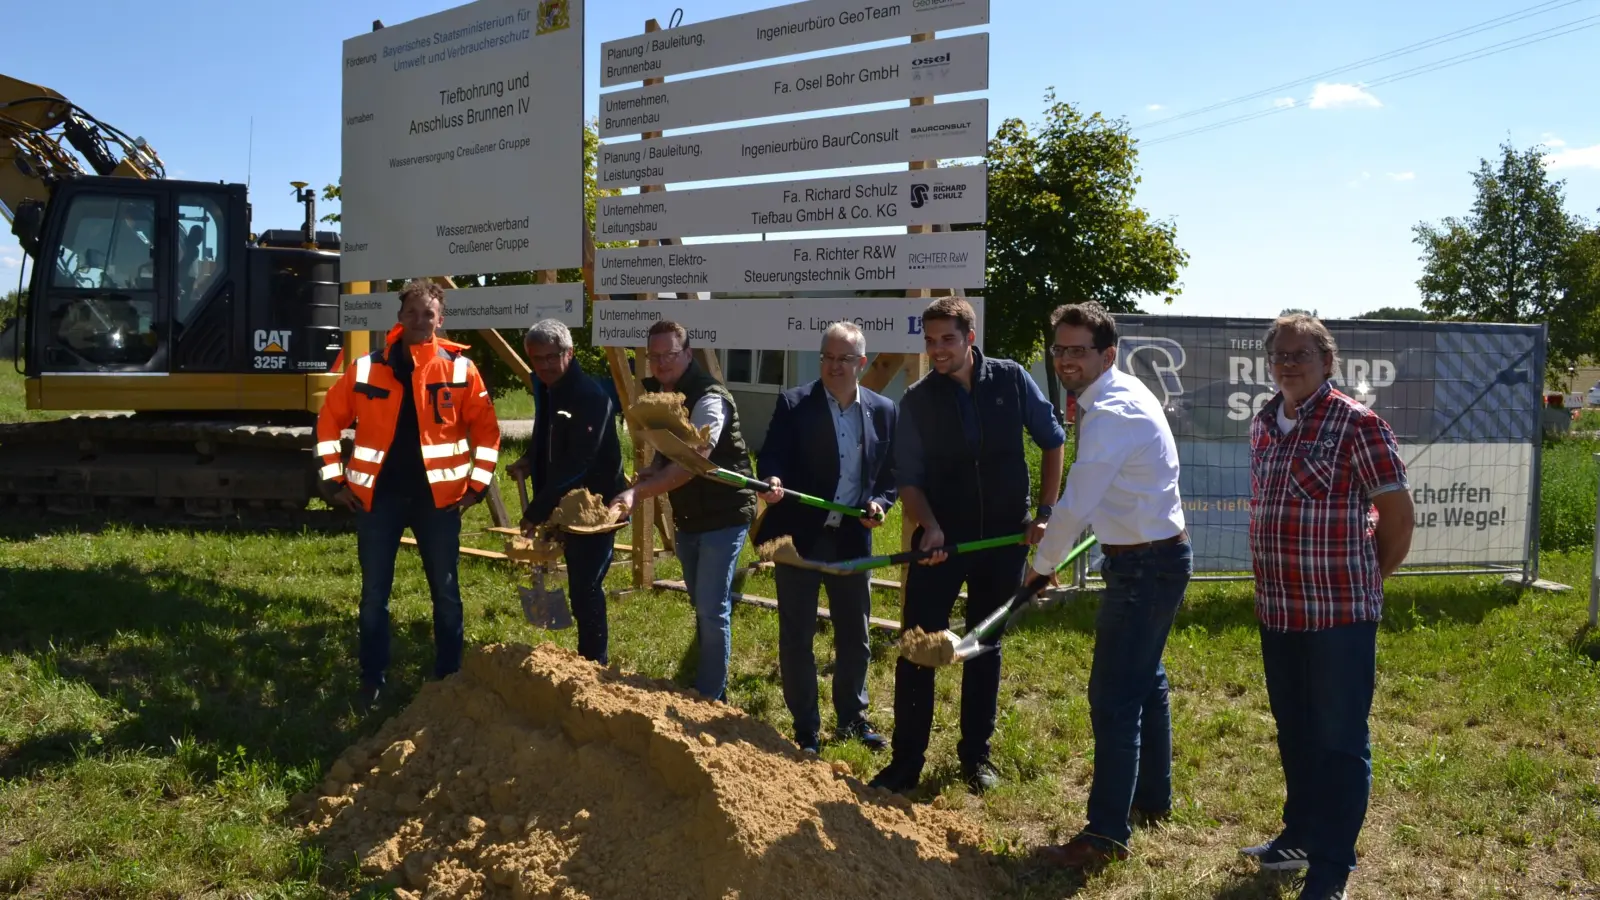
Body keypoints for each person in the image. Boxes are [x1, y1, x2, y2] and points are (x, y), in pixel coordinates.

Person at [1241, 313, 1413, 900]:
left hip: (1340, 615)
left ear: (1327, 362)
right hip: (1280, 611)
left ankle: (1332, 868)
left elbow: (1396, 518)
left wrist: (1366, 581)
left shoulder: (1357, 424)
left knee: (1340, 741)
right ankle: (1300, 837)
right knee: (1295, 732)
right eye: (1280, 356)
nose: (1289, 365)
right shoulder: (1265, 423)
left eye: (1301, 355)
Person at [869, 296, 1065, 796]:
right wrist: (929, 526)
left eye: (947, 340)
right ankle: (906, 761)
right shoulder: (918, 399)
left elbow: (1052, 440)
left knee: (984, 645)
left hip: (1003, 539)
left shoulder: (1011, 379)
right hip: (941, 541)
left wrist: (1043, 514)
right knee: (917, 646)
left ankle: (976, 755)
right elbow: (908, 478)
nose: (937, 350)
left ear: (970, 338)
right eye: (930, 340)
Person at [1028, 302, 1192, 870]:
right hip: (1148, 559)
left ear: (1108, 354)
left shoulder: (1115, 409)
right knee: (1145, 681)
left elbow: (1077, 499)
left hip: (1147, 565)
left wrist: (1041, 563)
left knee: (1113, 698)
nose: (1067, 360)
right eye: (1060, 349)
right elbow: (1092, 496)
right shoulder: (1108, 397)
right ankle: (1151, 799)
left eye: (1079, 350)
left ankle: (1103, 837)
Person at [314, 278, 501, 708]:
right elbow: (327, 423)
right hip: (377, 500)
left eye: (429, 314)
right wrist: (335, 480)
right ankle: (372, 679)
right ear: (399, 317)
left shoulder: (460, 369)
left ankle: (449, 676)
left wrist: (477, 486)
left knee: (446, 592)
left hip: (439, 501)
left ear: (441, 319)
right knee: (374, 594)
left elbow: (487, 433)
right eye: (412, 313)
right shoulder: (365, 368)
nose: (421, 321)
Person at [754, 321, 898, 755]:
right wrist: (772, 478)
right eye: (827, 357)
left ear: (862, 363)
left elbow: (890, 475)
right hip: (799, 538)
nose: (834, 366)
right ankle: (806, 727)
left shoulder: (883, 410)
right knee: (797, 635)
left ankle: (852, 718)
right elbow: (773, 453)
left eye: (843, 359)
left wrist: (880, 504)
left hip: (853, 539)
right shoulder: (795, 403)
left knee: (854, 634)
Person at [610, 321, 757, 703]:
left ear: (688, 354)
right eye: (654, 356)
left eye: (669, 355)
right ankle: (709, 680)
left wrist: (637, 493)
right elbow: (669, 445)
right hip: (690, 514)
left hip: (725, 512)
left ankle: (710, 698)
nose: (661, 363)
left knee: (711, 607)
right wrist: (655, 470)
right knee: (700, 599)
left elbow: (694, 459)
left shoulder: (710, 398)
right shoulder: (661, 392)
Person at [507, 319, 627, 665]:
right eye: (536, 358)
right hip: (563, 503)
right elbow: (549, 438)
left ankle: (593, 662)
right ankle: (586, 658)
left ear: (569, 353)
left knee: (585, 585)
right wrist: (529, 460)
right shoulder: (548, 388)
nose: (543, 364)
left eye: (551, 357)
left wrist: (536, 510)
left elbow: (578, 462)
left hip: (594, 508)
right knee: (578, 582)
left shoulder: (589, 396)